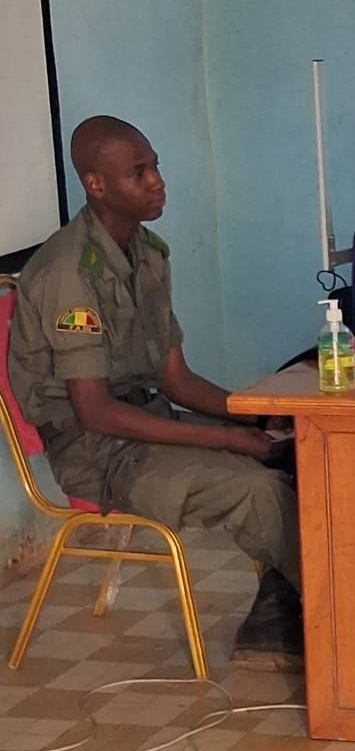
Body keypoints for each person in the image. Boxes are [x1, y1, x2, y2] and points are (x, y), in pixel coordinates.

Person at [9, 116, 302, 669]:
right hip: (95, 454)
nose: (157, 182)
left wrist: (256, 416)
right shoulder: (71, 274)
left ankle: (287, 610)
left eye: (156, 166)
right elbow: (93, 412)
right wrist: (225, 443)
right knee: (252, 488)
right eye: (138, 173)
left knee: (294, 450)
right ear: (96, 185)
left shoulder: (148, 253)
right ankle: (346, 615)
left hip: (145, 420)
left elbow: (176, 380)